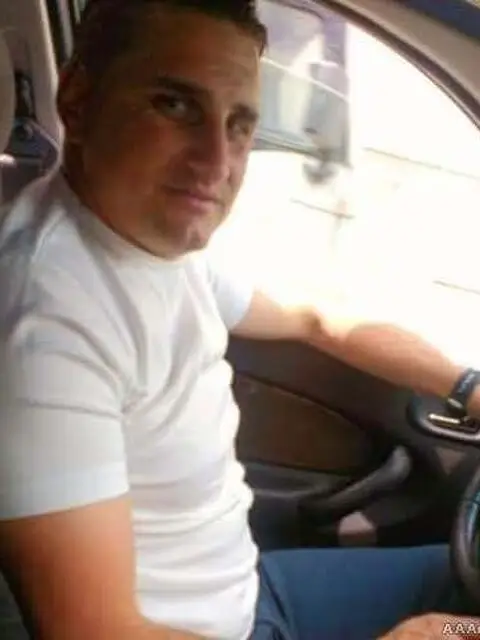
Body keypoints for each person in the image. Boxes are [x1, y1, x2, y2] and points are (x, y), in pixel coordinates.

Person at [0, 1, 478, 638]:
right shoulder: (44, 331)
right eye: (176, 105)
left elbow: (314, 316)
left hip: (252, 593)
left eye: (240, 124)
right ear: (78, 101)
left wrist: (467, 387)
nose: (217, 161)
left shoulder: (146, 239)